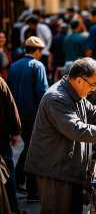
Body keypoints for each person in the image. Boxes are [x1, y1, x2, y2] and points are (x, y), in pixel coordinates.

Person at [25, 57, 96, 214]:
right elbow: (77, 130)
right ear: (79, 80)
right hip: (55, 171)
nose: (94, 89)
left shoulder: (75, 93)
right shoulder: (56, 98)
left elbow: (94, 112)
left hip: (68, 168)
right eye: (93, 84)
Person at [7, 36, 49, 201]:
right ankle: (32, 191)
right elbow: (42, 93)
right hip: (33, 116)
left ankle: (18, 179)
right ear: (37, 51)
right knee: (35, 151)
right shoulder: (38, 66)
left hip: (18, 115)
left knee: (28, 148)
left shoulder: (14, 66)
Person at [0, 77, 21, 213]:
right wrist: (15, 131)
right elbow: (11, 107)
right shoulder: (0, 82)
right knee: (7, 170)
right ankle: (12, 208)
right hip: (1, 137)